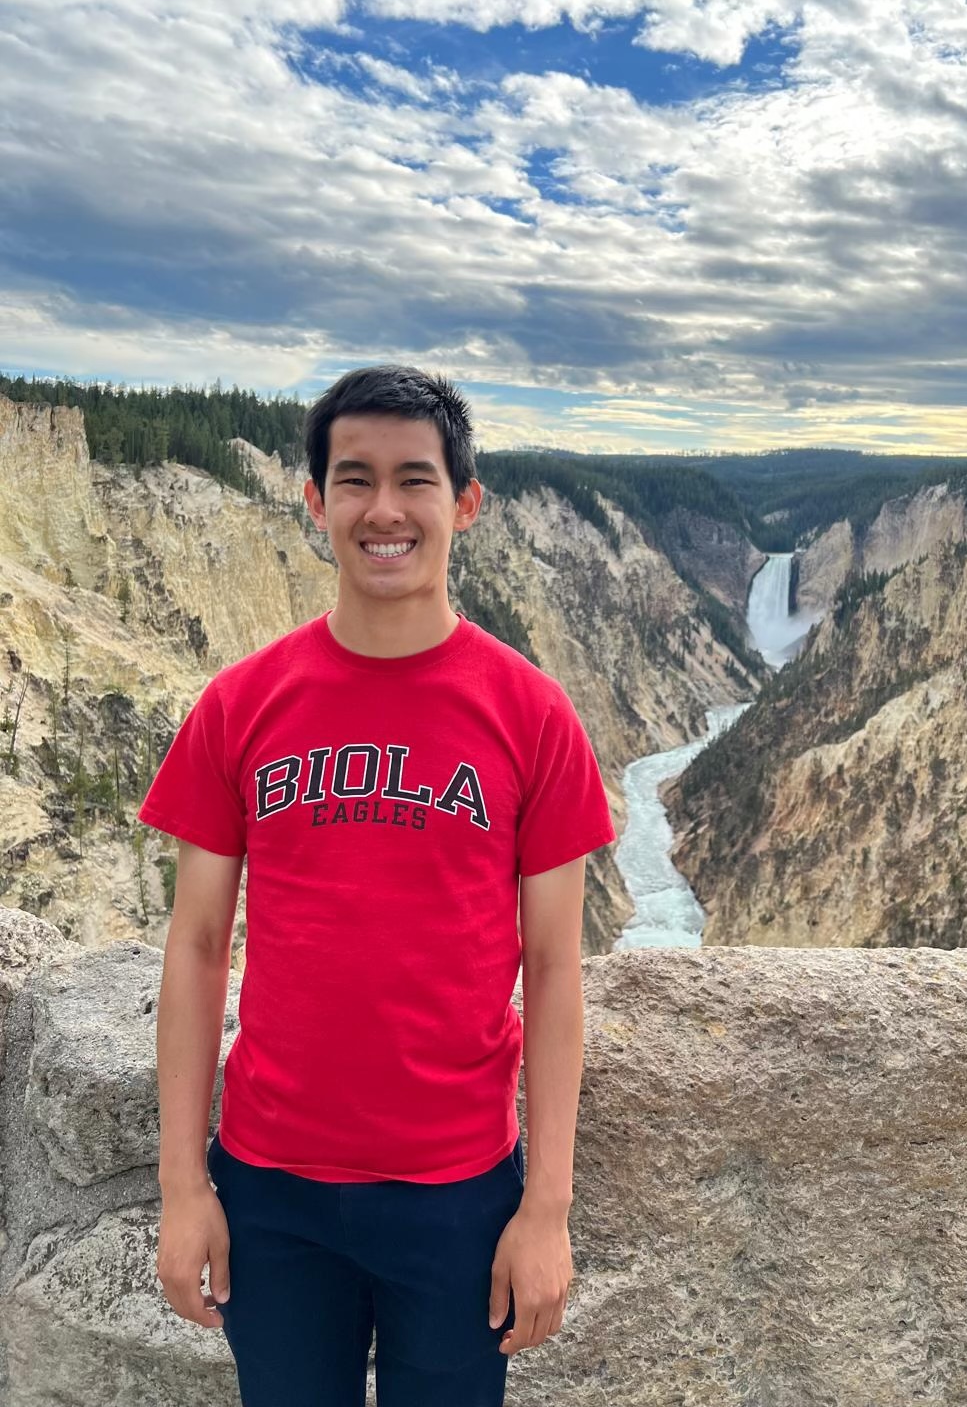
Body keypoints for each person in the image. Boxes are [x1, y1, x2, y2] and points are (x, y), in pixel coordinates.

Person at [144, 364, 616, 1407]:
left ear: (466, 503)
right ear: (316, 502)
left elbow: (554, 969)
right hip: (269, 1187)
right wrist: (183, 1186)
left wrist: (546, 1208)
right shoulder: (239, 706)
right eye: (354, 479)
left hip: (459, 1193)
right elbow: (197, 944)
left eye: (415, 479)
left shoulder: (534, 717)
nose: (384, 510)